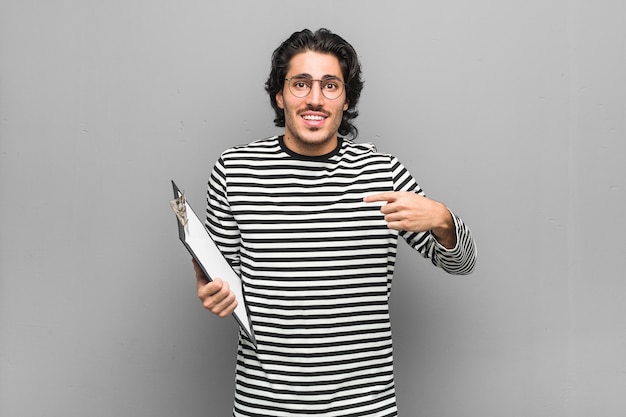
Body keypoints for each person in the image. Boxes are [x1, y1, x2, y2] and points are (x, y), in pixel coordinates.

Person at [192, 28, 477, 417]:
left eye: (330, 85)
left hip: (366, 406)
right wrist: (213, 289)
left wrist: (443, 219)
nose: (314, 99)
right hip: (265, 405)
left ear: (346, 99)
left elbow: (461, 264)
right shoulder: (234, 170)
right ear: (279, 94)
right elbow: (221, 280)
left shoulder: (383, 172)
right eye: (300, 84)